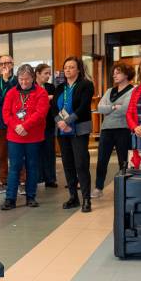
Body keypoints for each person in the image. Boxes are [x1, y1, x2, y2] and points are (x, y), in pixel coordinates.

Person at [0, 64, 49, 210]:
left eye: (26, 79)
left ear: (33, 78)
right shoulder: (11, 93)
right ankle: (10, 199)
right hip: (15, 137)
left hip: (33, 136)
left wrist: (25, 126)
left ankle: (31, 197)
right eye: (21, 79)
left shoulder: (41, 93)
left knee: (32, 167)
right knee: (14, 167)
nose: (23, 82)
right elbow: (6, 113)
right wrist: (17, 126)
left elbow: (40, 114)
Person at [54, 56, 95, 213]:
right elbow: (53, 108)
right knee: (68, 164)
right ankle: (73, 197)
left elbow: (84, 107)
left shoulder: (86, 85)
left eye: (71, 67)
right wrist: (60, 122)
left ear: (78, 69)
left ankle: (86, 199)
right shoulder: (60, 87)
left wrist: (68, 121)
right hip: (62, 131)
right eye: (66, 68)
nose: (68, 70)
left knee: (81, 164)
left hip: (78, 129)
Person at [92, 62, 134, 199]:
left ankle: (125, 188)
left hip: (123, 129)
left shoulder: (133, 90)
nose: (114, 75)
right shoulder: (110, 91)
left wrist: (109, 108)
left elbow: (125, 109)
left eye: (118, 73)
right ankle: (98, 187)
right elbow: (100, 108)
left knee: (123, 160)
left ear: (126, 74)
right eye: (114, 73)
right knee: (102, 160)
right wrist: (114, 107)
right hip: (106, 129)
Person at [0, 55, 18, 193]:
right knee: (1, 154)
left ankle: (22, 180)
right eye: (1, 64)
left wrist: (7, 81)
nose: (3, 66)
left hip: (15, 122)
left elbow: (16, 97)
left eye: (6, 63)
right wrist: (6, 99)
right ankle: (4, 181)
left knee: (17, 153)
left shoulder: (17, 80)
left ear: (12, 64)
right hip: (0, 123)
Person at [35, 63, 58, 188]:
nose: (48, 76)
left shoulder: (50, 87)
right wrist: (45, 98)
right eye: (45, 73)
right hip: (35, 124)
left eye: (49, 73)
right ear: (38, 74)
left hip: (48, 122)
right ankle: (38, 177)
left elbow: (55, 103)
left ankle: (50, 178)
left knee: (49, 151)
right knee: (36, 151)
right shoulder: (32, 87)